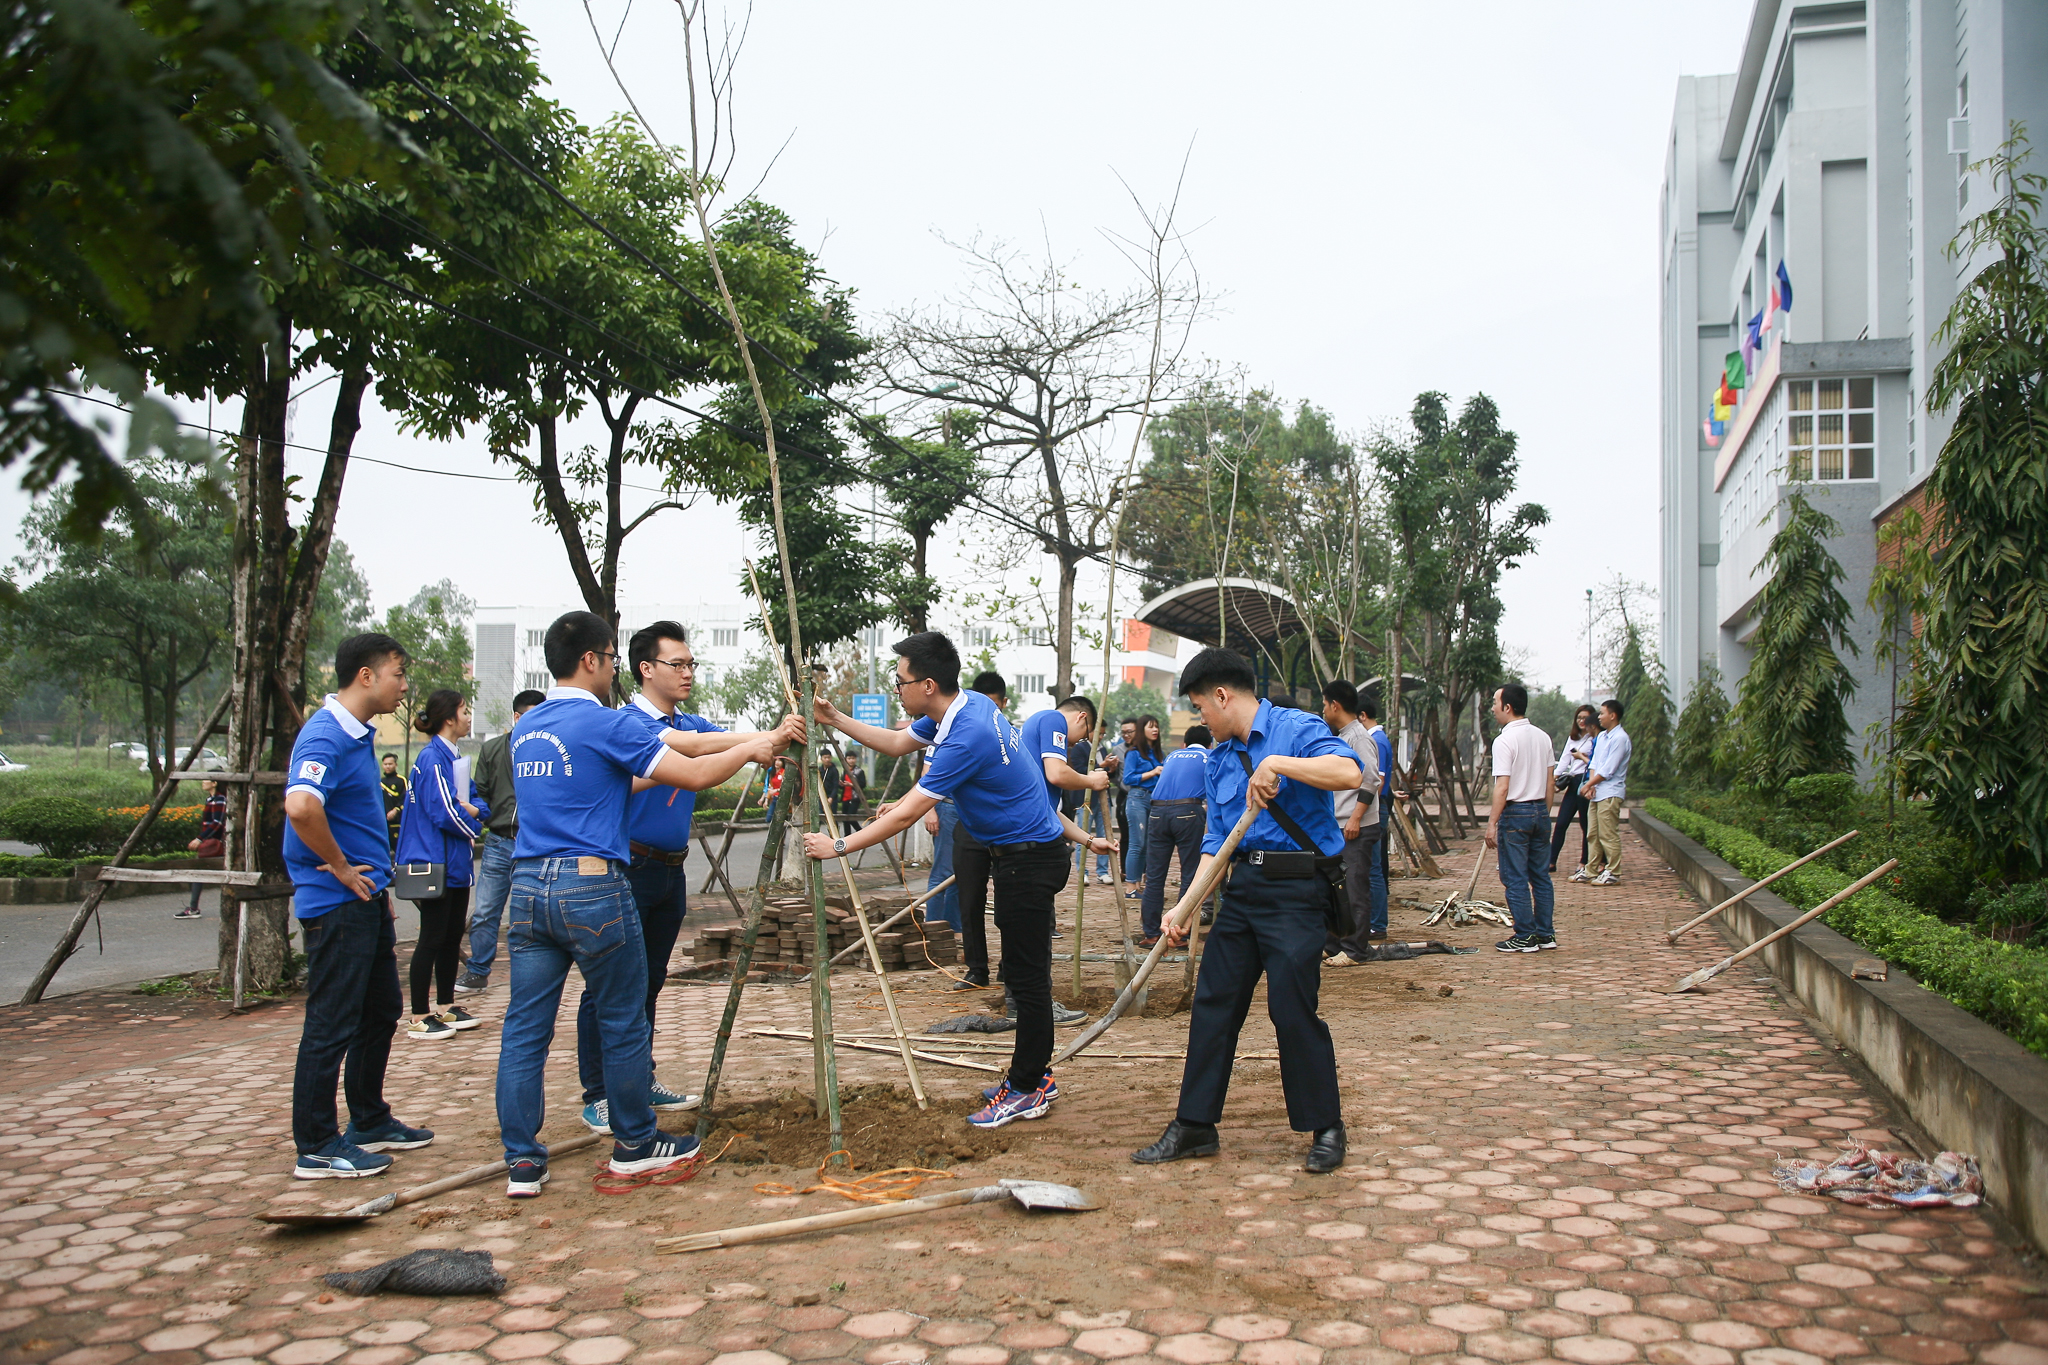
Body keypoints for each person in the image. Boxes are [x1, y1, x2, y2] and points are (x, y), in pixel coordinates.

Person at [496, 611, 785, 1197]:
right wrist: (759, 749)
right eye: (608, 659)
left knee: (524, 1030)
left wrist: (755, 739)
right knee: (623, 1016)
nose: (612, 671)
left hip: (527, 887)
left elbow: (675, 748)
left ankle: (522, 1162)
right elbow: (696, 771)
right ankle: (635, 1143)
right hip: (592, 885)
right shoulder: (605, 724)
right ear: (592, 661)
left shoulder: (528, 729)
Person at [805, 632, 1114, 1129]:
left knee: (1026, 980)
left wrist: (838, 846)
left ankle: (1028, 1087)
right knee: (1022, 972)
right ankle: (1032, 1076)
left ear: (927, 684)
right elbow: (899, 740)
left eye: (900, 680)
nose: (896, 689)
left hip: (1028, 860)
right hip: (1021, 853)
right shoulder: (963, 705)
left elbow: (907, 814)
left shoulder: (966, 732)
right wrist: (834, 719)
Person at [1131, 648, 1364, 1174]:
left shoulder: (1294, 728)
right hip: (1243, 890)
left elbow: (1349, 773)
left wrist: (1279, 764)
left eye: (1200, 708)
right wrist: (1186, 906)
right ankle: (1194, 1125)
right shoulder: (1216, 759)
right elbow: (1216, 843)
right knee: (1214, 1004)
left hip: (1296, 890)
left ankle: (1326, 1125)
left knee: (1290, 1008)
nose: (1201, 720)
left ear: (1222, 695)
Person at [577, 622, 803, 1135]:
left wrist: (773, 736)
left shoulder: (690, 721)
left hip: (670, 868)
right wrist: (759, 741)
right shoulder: (624, 725)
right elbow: (695, 751)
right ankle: (598, 1093)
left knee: (649, 981)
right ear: (645, 669)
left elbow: (712, 742)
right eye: (677, 664)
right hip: (627, 868)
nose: (687, 672)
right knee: (609, 986)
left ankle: (636, 1078)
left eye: (691, 664)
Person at [283, 632, 433, 1180]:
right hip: (335, 902)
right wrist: (342, 869)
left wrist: (374, 889)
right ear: (365, 676)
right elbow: (301, 806)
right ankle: (318, 1144)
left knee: (379, 1013)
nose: (403, 685)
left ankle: (368, 1119)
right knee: (331, 1022)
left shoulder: (356, 736)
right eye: (397, 673)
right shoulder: (324, 735)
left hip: (365, 901)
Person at [394, 689, 485, 1041]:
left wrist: (476, 811)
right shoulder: (432, 759)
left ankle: (446, 1007)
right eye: (464, 711)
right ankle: (418, 1015)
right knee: (431, 939)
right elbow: (447, 812)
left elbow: (474, 799)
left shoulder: (455, 757)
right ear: (448, 718)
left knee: (450, 938)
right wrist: (475, 825)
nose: (468, 716)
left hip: (455, 863)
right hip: (435, 862)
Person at [456, 689, 543, 994]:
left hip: (534, 845)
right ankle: (478, 970)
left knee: (526, 916)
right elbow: (480, 792)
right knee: (485, 911)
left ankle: (527, 977)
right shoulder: (493, 750)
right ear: (516, 717)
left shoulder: (547, 750)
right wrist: (487, 816)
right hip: (498, 842)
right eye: (531, 716)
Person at [1485, 684, 1558, 953]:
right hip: (1540, 809)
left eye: (1495, 702)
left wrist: (1492, 823)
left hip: (1515, 812)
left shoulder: (1505, 740)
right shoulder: (1543, 737)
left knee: (1514, 876)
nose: (1492, 708)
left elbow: (1502, 787)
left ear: (1508, 707)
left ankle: (1525, 935)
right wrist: (1543, 814)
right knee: (1540, 876)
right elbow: (1550, 782)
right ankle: (1545, 933)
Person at [1319, 681, 1387, 967]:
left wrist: (1357, 817)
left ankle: (1355, 949)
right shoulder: (1342, 735)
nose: (1322, 710)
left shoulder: (1358, 738)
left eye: (1324, 704)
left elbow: (1372, 779)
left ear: (1335, 705)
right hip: (1340, 825)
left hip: (1354, 826)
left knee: (1355, 888)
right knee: (1336, 889)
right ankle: (1333, 943)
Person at [1139, 725, 1210, 946]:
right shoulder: (1209, 756)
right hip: (1187, 812)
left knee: (1154, 876)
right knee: (1190, 874)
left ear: (1185, 744)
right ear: (1210, 743)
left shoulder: (1172, 756)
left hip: (1157, 812)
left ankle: (1150, 932)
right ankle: (1179, 932)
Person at [1581, 698, 1632, 886]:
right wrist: (1591, 785)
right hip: (1597, 791)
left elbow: (1609, 769)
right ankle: (1591, 869)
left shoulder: (1620, 739)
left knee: (1608, 834)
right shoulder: (1602, 737)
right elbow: (1595, 763)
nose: (1599, 717)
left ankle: (1613, 871)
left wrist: (1588, 785)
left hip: (1611, 792)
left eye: (1602, 713)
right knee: (1592, 833)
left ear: (1613, 715)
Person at [1360, 693, 1395, 937]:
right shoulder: (1377, 739)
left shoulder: (1376, 741)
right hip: (1376, 805)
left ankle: (1377, 923)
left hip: (1375, 805)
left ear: (1362, 716)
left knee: (1373, 868)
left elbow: (1378, 781)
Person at [1550, 705, 1599, 879]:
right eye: (1579, 717)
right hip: (1572, 782)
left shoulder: (1595, 738)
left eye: (1585, 717)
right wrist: (1554, 779)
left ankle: (1584, 862)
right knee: (1561, 822)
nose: (1581, 721)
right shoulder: (1574, 738)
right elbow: (1564, 759)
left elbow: (1595, 763)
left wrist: (1581, 757)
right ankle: (1551, 860)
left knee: (1586, 825)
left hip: (1586, 782)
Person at [1121, 714, 1165, 895]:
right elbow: (1128, 778)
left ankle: (1138, 885)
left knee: (1146, 844)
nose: (1155, 730)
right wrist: (1153, 772)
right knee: (1136, 843)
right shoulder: (1134, 753)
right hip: (1137, 798)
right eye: (1150, 727)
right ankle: (1131, 887)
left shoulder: (1157, 753)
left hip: (1154, 800)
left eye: (1156, 727)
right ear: (1142, 730)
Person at [176, 778, 228, 920]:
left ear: (215, 782)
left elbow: (217, 823)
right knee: (199, 873)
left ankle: (194, 908)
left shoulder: (220, 800)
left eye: (206, 780)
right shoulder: (210, 799)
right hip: (210, 843)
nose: (203, 782)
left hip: (214, 844)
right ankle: (193, 907)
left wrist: (200, 838)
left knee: (199, 873)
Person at [1105, 718, 1137, 874]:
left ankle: (1141, 871)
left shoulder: (1146, 749)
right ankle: (1125, 871)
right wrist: (1110, 769)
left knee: (1143, 837)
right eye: (1123, 732)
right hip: (1125, 797)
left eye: (1130, 732)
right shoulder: (1117, 750)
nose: (1126, 735)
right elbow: (1113, 776)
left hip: (1143, 797)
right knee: (1126, 836)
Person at [379, 753, 406, 851]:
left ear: (396, 765)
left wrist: (395, 810)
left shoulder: (401, 780)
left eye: (390, 764)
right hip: (383, 823)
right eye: (385, 764)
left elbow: (405, 798)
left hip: (397, 823)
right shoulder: (380, 781)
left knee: (398, 849)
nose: (388, 766)